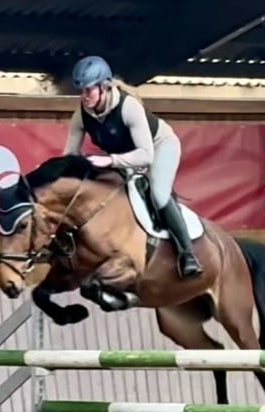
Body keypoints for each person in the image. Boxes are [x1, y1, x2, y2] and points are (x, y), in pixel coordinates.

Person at [62, 55, 203, 279]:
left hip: (158, 147)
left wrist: (110, 161)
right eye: (81, 91)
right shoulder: (81, 115)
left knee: (158, 195)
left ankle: (188, 254)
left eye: (89, 90)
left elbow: (145, 155)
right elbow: (69, 155)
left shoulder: (129, 107)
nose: (84, 96)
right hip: (123, 154)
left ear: (104, 86)